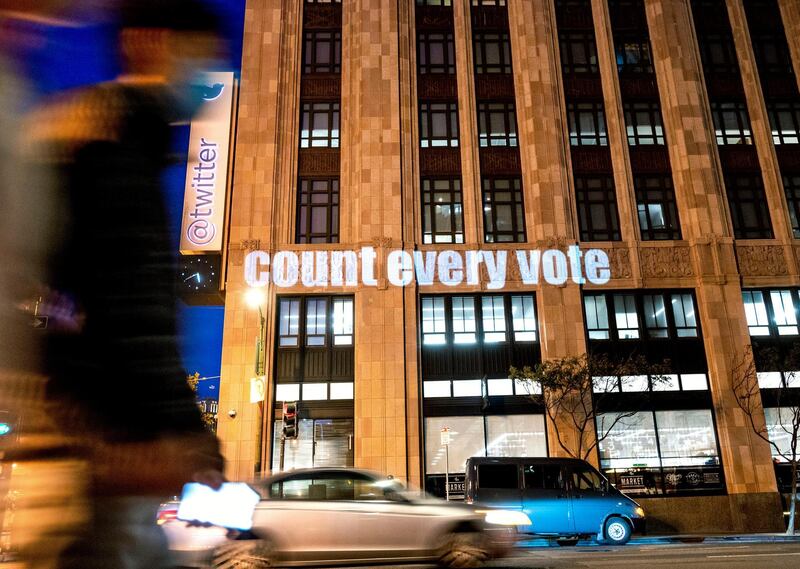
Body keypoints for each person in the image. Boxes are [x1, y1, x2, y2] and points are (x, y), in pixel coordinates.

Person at [22, 2, 228, 567]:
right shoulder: (109, 144)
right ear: (151, 42)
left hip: (110, 432)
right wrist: (175, 430)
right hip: (117, 440)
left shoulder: (116, 140)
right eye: (199, 59)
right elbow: (131, 310)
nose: (205, 81)